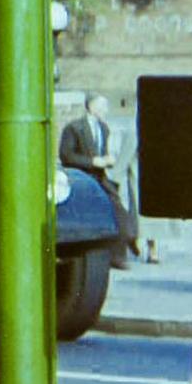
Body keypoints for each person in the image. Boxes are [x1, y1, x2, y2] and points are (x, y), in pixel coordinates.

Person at [59, 94, 137, 271]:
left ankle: (119, 255)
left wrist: (107, 160)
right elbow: (67, 155)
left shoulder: (104, 128)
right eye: (102, 106)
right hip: (81, 178)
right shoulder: (74, 128)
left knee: (119, 212)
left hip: (101, 179)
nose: (105, 111)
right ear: (91, 107)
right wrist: (93, 161)